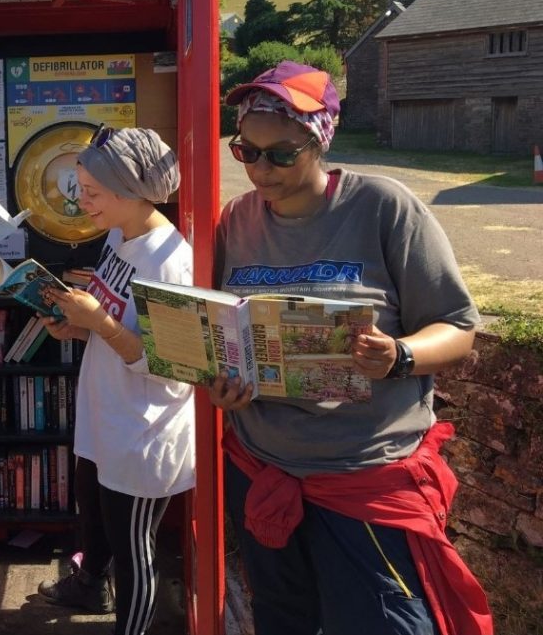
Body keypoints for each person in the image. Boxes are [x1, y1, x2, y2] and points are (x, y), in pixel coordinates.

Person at [212, 61, 493, 635]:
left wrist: (400, 355)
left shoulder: (385, 207)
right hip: (262, 468)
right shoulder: (236, 221)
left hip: (365, 477)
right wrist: (223, 381)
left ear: (319, 143)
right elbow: (224, 328)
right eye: (247, 152)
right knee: (284, 621)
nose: (261, 170)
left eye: (281, 154)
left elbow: (458, 326)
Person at [36, 126, 195, 635]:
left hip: (145, 433)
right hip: (108, 419)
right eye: (80, 189)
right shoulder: (117, 236)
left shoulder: (172, 262)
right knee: (99, 526)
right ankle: (87, 585)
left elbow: (173, 367)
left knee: (134, 554)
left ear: (132, 191)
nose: (82, 202)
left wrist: (97, 323)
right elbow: (115, 329)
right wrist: (78, 329)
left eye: (93, 193)